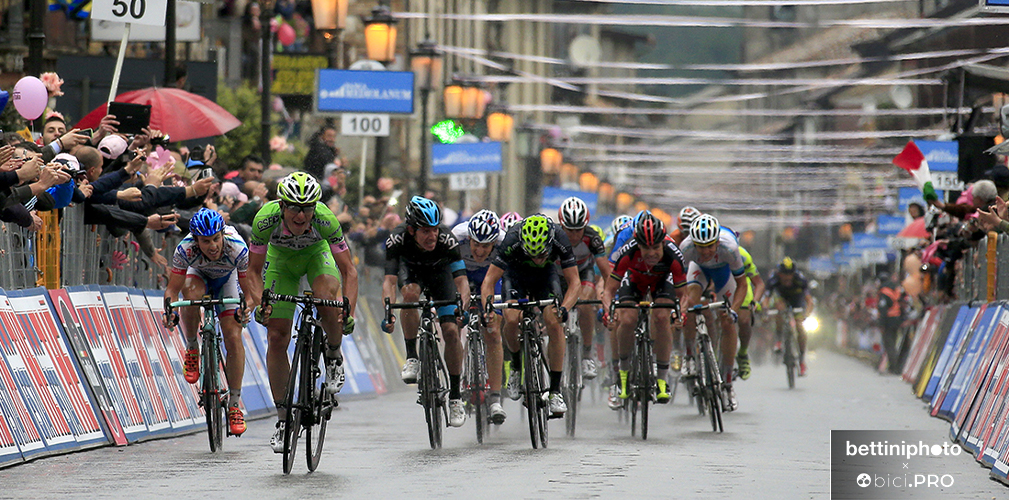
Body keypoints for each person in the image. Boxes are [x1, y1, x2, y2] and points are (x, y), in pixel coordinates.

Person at [247, 172, 358, 453]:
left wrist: (349, 310)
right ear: (282, 206)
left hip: (315, 255)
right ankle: (284, 421)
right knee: (277, 336)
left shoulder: (325, 220)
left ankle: (333, 355)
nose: (301, 215)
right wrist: (262, 302)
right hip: (280, 261)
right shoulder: (264, 220)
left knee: (326, 299)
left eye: (307, 208)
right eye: (294, 207)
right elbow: (252, 271)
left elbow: (349, 270)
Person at [163, 208, 257, 436]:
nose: (213, 246)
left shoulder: (237, 247)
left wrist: (247, 308)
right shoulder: (185, 249)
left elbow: (249, 293)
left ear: (223, 234)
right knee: (191, 295)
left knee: (233, 336)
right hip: (199, 275)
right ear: (196, 240)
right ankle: (193, 347)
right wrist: (169, 312)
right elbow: (172, 291)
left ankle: (234, 404)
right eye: (206, 241)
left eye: (216, 239)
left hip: (228, 279)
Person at [382, 196, 470, 428]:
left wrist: (463, 308)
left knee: (451, 332)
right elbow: (390, 283)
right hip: (411, 273)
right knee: (409, 295)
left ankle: (455, 396)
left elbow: (462, 282)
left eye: (434, 230)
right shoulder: (397, 239)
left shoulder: (447, 240)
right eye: (425, 232)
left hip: (441, 276)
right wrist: (388, 311)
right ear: (411, 230)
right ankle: (412, 357)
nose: (432, 236)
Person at [481, 214, 581, 417]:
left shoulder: (560, 238)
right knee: (510, 318)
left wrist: (564, 308)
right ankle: (516, 365)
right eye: (532, 255)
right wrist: (488, 308)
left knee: (554, 321)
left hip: (546, 277)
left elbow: (575, 282)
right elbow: (489, 281)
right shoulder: (512, 238)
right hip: (516, 276)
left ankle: (554, 391)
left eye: (541, 255)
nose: (536, 259)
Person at [602, 212, 686, 408]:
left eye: (656, 248)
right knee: (628, 319)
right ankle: (623, 376)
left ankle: (662, 380)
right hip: (634, 281)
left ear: (663, 244)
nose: (651, 253)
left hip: (662, 281)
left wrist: (680, 314)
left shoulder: (673, 254)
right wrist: (609, 311)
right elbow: (608, 291)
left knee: (662, 316)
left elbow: (684, 295)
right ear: (637, 244)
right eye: (646, 248)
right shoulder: (627, 252)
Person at [679, 214, 747, 412]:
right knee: (691, 303)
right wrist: (681, 307)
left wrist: (734, 311)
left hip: (723, 271)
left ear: (717, 241)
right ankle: (690, 356)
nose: (706, 251)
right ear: (694, 244)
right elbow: (678, 282)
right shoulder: (686, 248)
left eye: (710, 246)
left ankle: (727, 384)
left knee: (728, 321)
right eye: (701, 247)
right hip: (697, 269)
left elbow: (742, 285)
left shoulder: (730, 248)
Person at [450, 209, 507, 424]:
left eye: (486, 246)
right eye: (476, 244)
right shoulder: (457, 236)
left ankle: (494, 398)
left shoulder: (504, 242)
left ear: (494, 243)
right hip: (462, 275)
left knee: (493, 330)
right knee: (453, 322)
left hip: (491, 278)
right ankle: (458, 377)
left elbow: (506, 278)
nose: (480, 250)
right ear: (469, 238)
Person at [557, 196, 611, 380]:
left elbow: (606, 271)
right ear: (561, 226)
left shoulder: (592, 238)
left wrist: (610, 297)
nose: (573, 235)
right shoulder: (553, 236)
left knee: (584, 304)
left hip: (582, 273)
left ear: (585, 226)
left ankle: (587, 355)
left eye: (578, 230)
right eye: (569, 230)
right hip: (558, 275)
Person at [761, 257, 814, 376]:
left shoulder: (800, 279)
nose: (787, 277)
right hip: (782, 299)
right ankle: (779, 340)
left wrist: (807, 313)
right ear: (779, 273)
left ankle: (801, 359)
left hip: (797, 300)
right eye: (784, 274)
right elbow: (766, 298)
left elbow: (809, 301)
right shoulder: (773, 279)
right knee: (780, 308)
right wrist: (765, 309)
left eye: (790, 274)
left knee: (800, 328)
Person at [734, 245, 765, 381]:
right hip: (720, 284)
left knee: (744, 321)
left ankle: (742, 353)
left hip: (742, 286)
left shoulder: (743, 256)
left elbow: (759, 284)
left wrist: (755, 301)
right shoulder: (709, 251)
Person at [876, 273, 907, 375]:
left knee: (889, 345)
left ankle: (893, 368)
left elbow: (883, 309)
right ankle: (895, 366)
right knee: (893, 343)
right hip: (896, 320)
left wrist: (881, 324)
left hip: (888, 321)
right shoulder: (896, 290)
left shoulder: (884, 292)